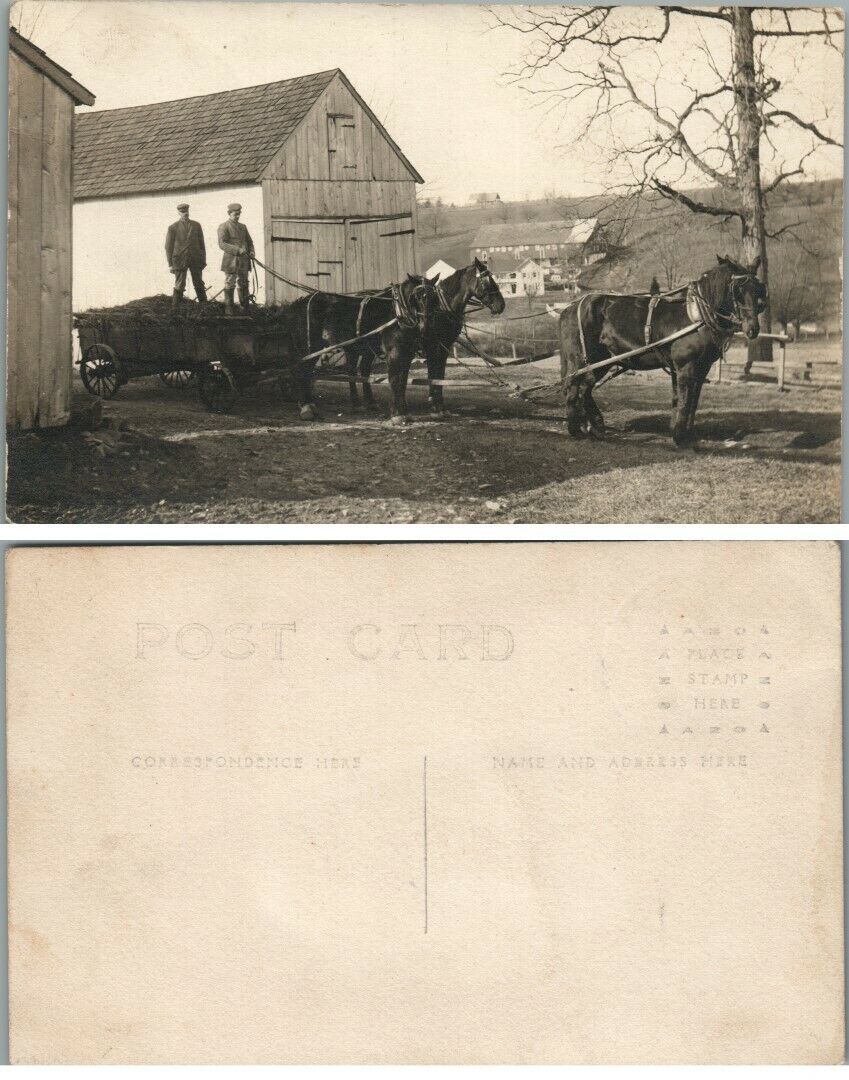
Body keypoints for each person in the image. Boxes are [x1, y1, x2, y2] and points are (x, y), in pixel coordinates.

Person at [165, 203, 207, 310]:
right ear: (178, 213)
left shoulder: (196, 225)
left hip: (195, 259)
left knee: (199, 283)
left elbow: (202, 244)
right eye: (183, 212)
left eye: (186, 211)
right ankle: (175, 309)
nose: (185, 214)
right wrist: (170, 264)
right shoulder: (173, 227)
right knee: (179, 284)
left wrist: (203, 260)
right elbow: (168, 247)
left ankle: (205, 307)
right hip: (179, 260)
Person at [217, 203, 255, 316]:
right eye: (235, 214)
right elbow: (222, 244)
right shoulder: (224, 226)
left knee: (243, 283)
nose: (238, 216)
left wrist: (252, 251)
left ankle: (245, 309)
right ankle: (229, 309)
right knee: (230, 283)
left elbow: (250, 242)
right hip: (231, 261)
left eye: (239, 214)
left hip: (244, 260)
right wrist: (237, 250)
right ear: (229, 214)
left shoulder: (243, 227)